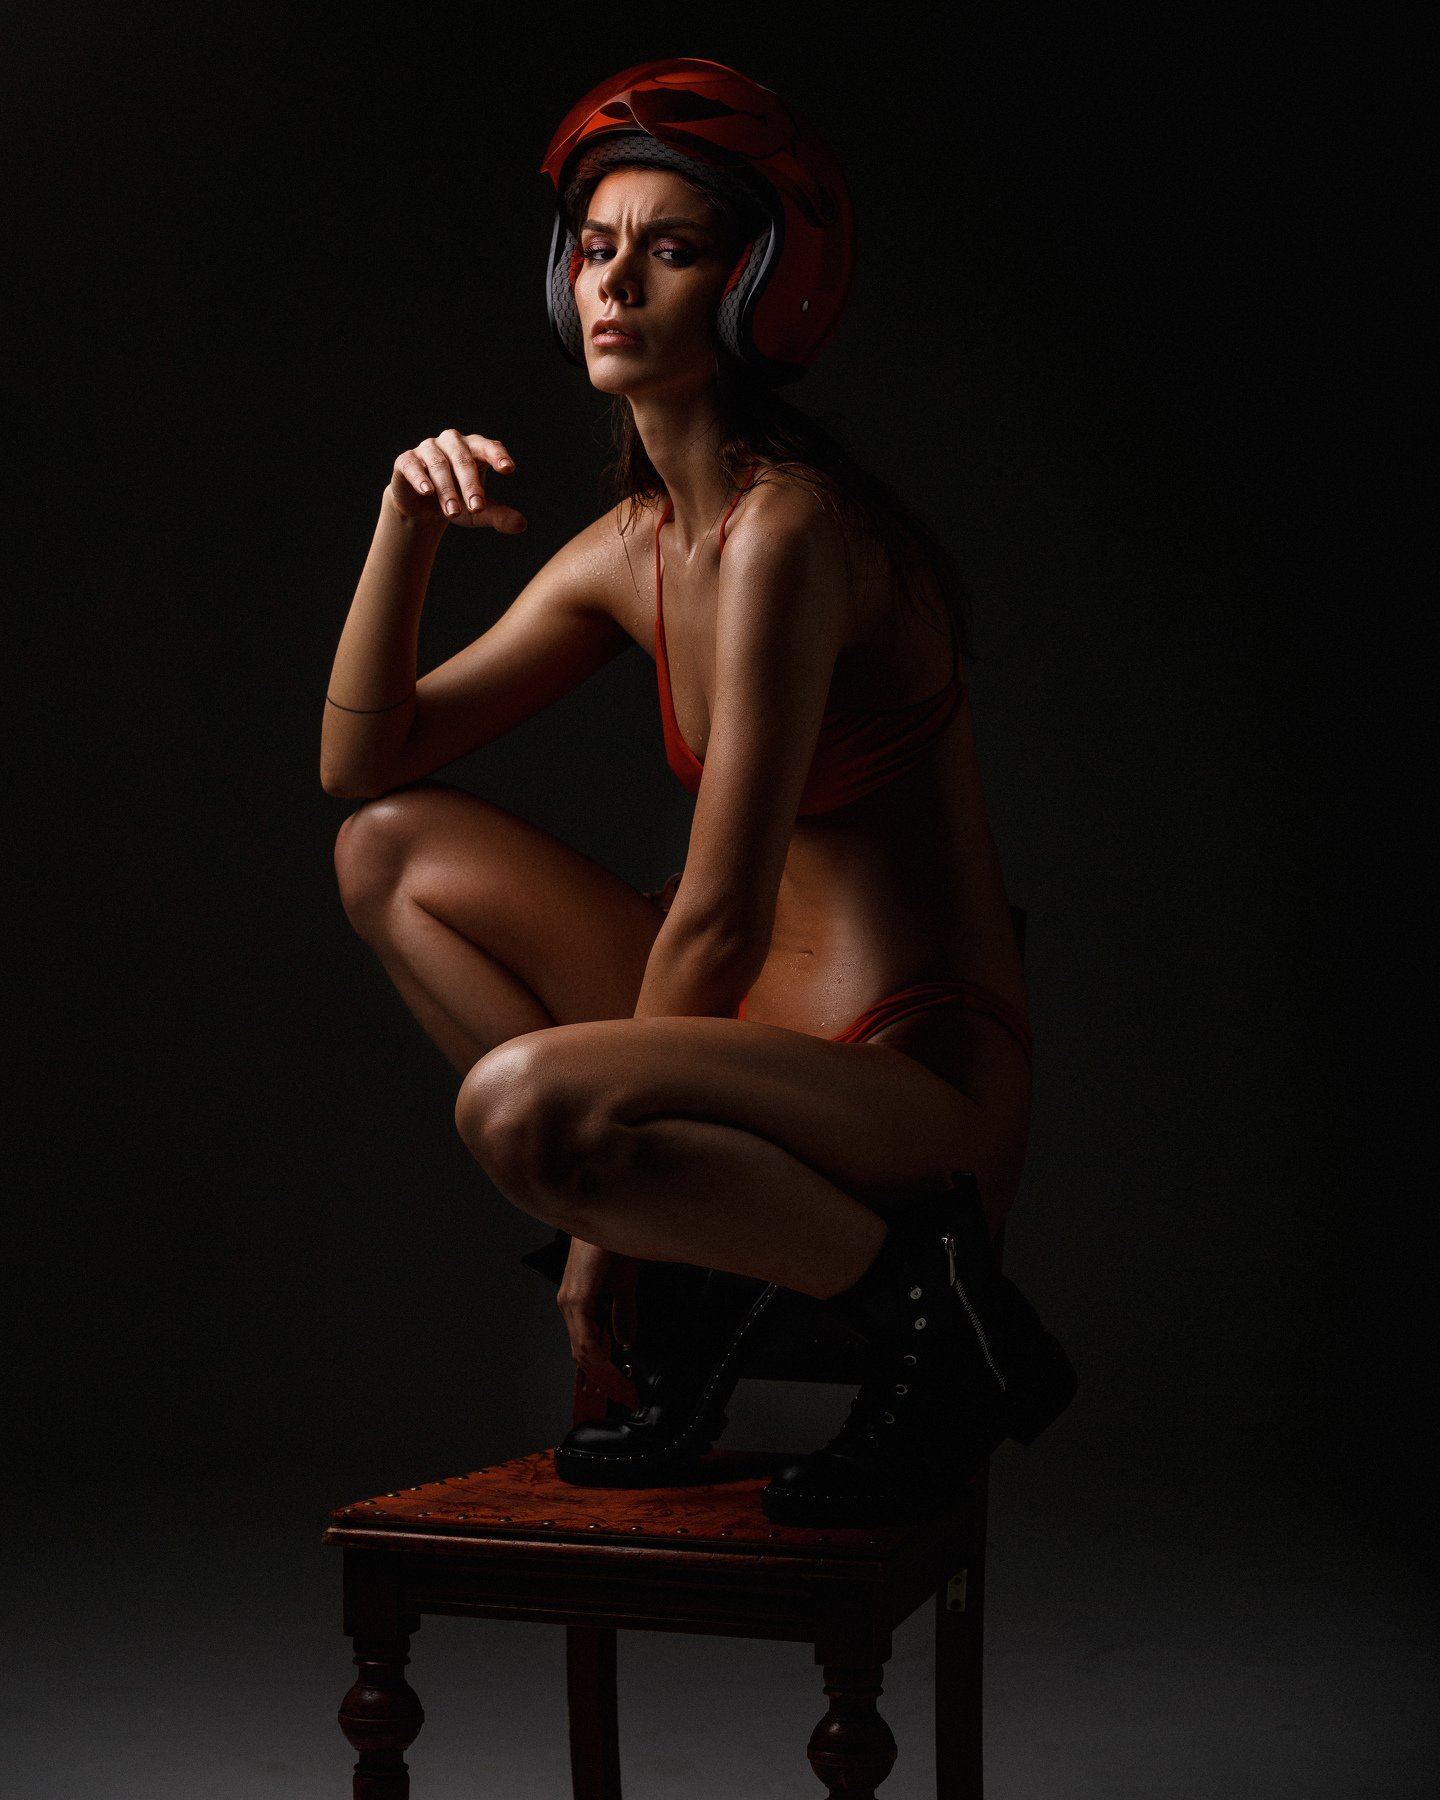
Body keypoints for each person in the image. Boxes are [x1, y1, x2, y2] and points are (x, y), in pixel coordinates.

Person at [321, 58, 1075, 1527]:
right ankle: (692, 1248)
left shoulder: (793, 532)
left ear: (760, 287)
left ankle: (945, 1327)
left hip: (904, 1082)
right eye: (595, 248)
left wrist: (596, 1230)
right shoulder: (636, 543)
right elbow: (363, 763)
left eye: (670, 250)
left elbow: (721, 916)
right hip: (741, 1045)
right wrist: (404, 521)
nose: (616, 284)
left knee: (522, 1109)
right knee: (386, 854)